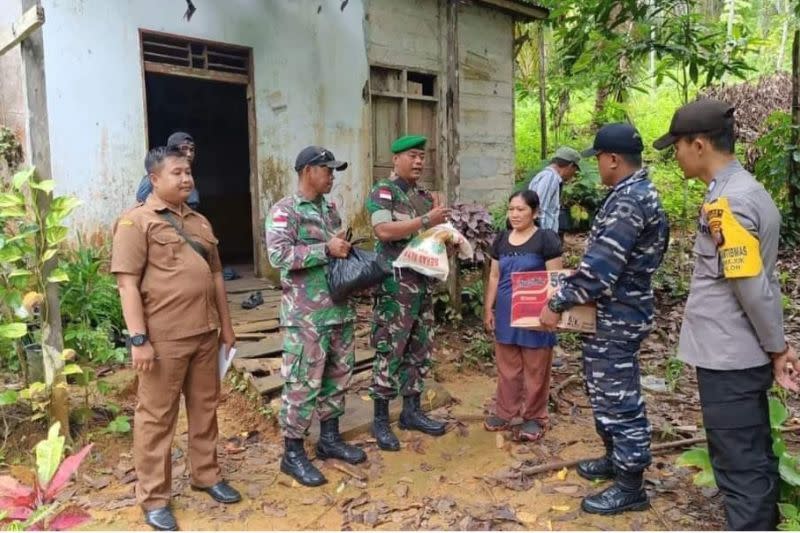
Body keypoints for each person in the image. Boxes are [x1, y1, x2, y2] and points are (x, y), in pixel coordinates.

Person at [653, 98, 800, 530]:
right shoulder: (737, 191)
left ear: (699, 145)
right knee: (749, 453)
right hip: (734, 351)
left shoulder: (729, 204)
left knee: (739, 462)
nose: (675, 155)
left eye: (677, 145)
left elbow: (750, 285)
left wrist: (779, 348)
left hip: (730, 356)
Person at [539, 123, 669, 515]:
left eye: (598, 158)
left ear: (613, 159)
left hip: (618, 317)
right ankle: (614, 460)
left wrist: (557, 301)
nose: (597, 165)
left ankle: (630, 485)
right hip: (613, 314)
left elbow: (599, 271)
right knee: (603, 391)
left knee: (619, 398)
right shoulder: (631, 194)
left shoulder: (629, 201)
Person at [111, 146, 241, 531]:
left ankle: (206, 474)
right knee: (156, 419)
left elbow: (216, 276)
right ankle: (154, 499)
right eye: (177, 173)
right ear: (154, 179)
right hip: (163, 339)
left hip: (205, 334)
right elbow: (126, 285)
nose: (186, 179)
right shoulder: (137, 223)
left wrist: (227, 327)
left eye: (189, 172)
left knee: (205, 408)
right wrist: (138, 340)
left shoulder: (200, 222)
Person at [265, 145, 366, 487]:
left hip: (338, 308)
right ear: (308, 170)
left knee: (338, 377)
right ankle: (292, 454)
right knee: (302, 384)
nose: (332, 176)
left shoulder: (330, 208)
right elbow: (278, 256)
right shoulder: (286, 210)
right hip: (306, 315)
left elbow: (333, 249)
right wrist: (326, 249)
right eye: (327, 170)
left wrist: (341, 246)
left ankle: (330, 439)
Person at [365, 134, 451, 451]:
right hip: (394, 286)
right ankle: (380, 420)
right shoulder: (383, 192)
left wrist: (447, 235)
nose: (419, 161)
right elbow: (383, 231)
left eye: (422, 157)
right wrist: (427, 219)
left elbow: (431, 235)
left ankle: (411, 412)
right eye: (413, 156)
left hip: (423, 283)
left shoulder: (423, 196)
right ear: (396, 159)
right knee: (390, 350)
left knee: (419, 348)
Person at [483, 190, 562, 441]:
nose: (514, 214)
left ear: (535, 212)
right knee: (507, 368)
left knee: (536, 368)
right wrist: (488, 308)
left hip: (536, 316)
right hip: (506, 313)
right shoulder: (502, 239)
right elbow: (495, 276)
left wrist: (553, 311)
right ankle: (506, 412)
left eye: (521, 209)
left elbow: (556, 280)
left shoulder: (546, 239)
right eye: (511, 209)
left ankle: (535, 417)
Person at [137, 132, 200, 210]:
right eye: (184, 148)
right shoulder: (153, 179)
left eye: (192, 150)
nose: (189, 154)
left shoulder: (188, 179)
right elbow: (141, 206)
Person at [527, 146, 581, 233]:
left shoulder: (542, 175)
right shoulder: (551, 178)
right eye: (575, 170)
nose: (573, 173)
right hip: (543, 234)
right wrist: (543, 238)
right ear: (570, 166)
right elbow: (540, 210)